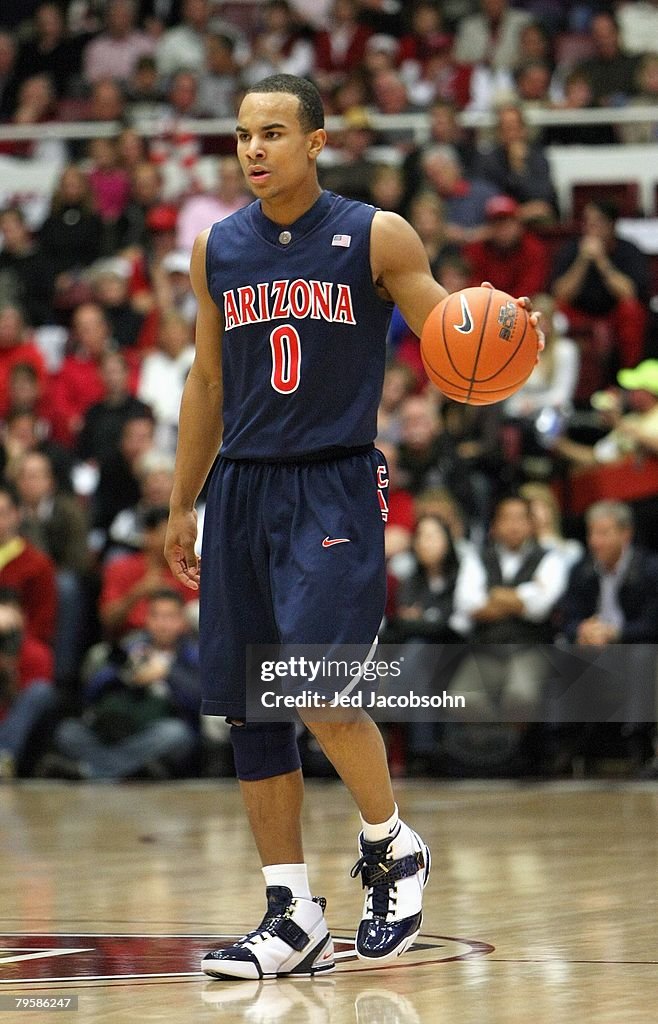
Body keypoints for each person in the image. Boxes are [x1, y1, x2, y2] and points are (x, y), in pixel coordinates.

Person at [164, 73, 542, 980]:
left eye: (273, 133)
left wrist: (506, 331)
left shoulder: (374, 233)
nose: (254, 149)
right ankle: (292, 914)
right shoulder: (217, 248)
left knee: (320, 687)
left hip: (333, 487)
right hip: (243, 490)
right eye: (243, 134)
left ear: (318, 141)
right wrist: (183, 502)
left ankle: (393, 845)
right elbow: (208, 384)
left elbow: (451, 337)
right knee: (252, 713)